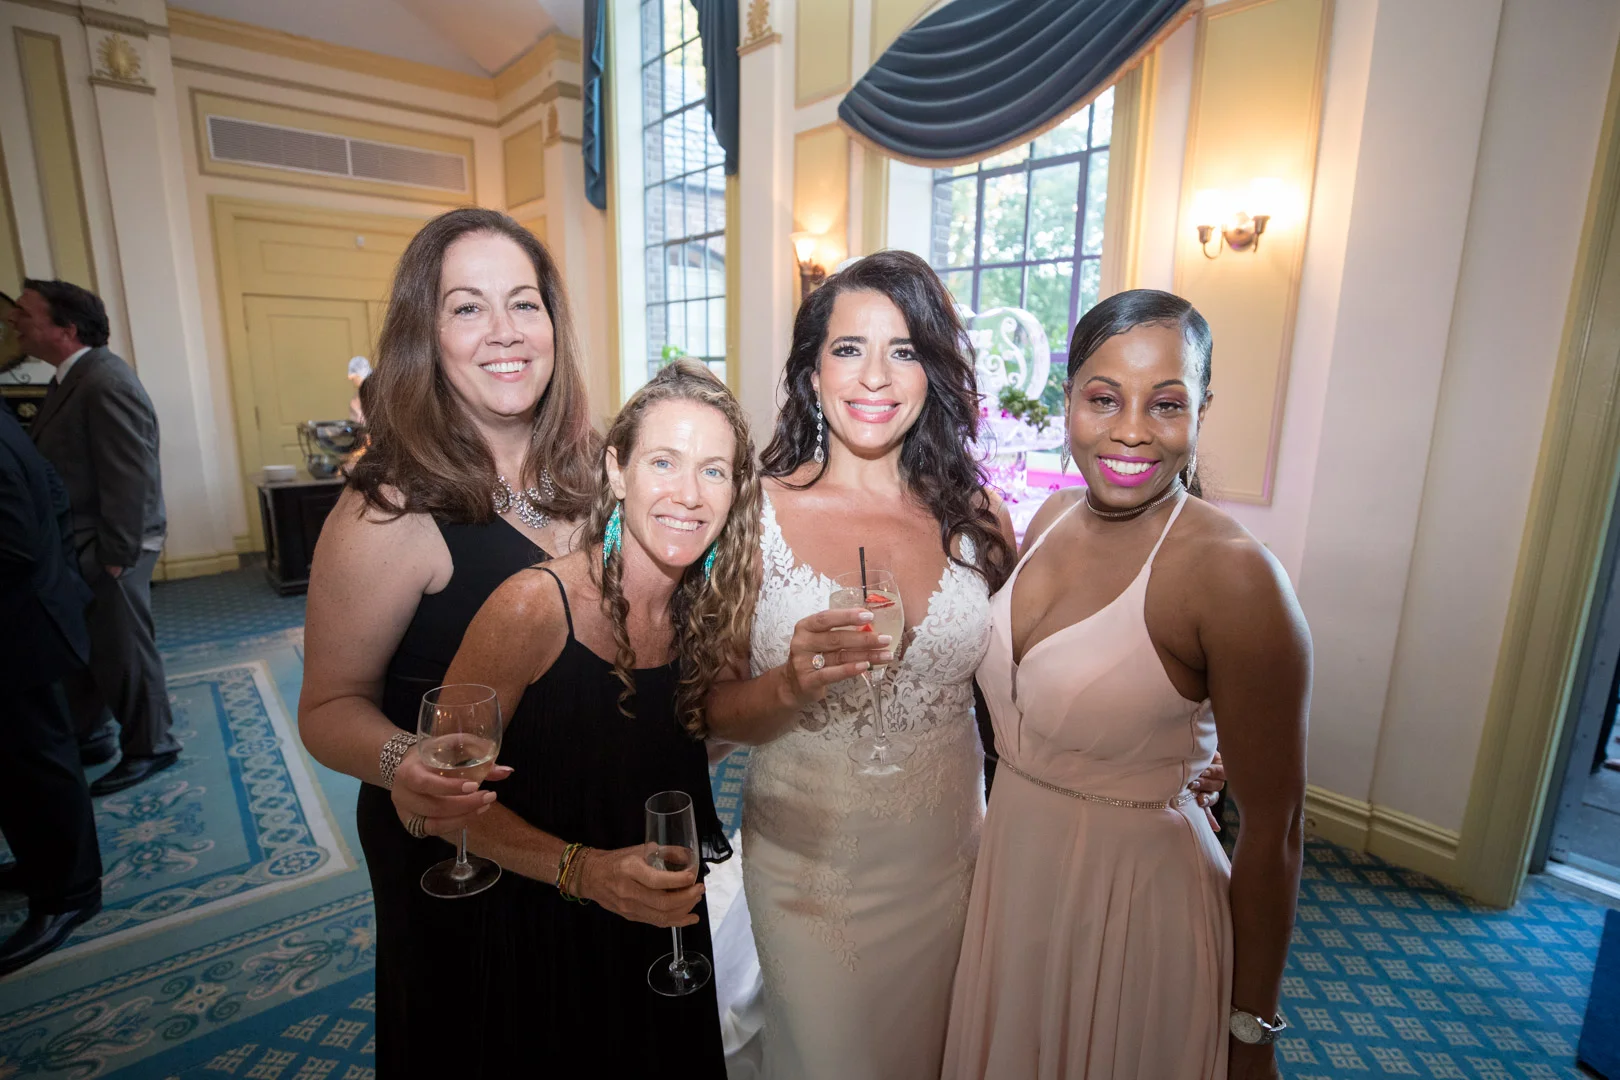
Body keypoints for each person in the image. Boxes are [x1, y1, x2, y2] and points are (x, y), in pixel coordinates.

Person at [943, 290, 1311, 1080]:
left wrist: (1252, 1033)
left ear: (1202, 410)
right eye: (1104, 398)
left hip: (1137, 910)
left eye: (1166, 403)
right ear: (1069, 399)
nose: (1132, 429)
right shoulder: (1049, 518)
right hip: (1015, 880)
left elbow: (1276, 829)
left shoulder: (1235, 576)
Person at [296, 208, 597, 1076]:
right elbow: (327, 708)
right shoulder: (388, 507)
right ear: (424, 337)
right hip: (459, 849)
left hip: (587, 827)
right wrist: (406, 762)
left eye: (524, 303)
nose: (505, 331)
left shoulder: (589, 475)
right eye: (467, 308)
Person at [415, 359, 758, 1073]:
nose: (689, 494)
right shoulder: (531, 608)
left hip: (665, 927)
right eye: (663, 462)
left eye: (714, 471)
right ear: (616, 470)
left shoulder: (708, 612)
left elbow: (671, 745)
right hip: (546, 933)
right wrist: (585, 872)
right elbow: (432, 809)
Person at [9, 279, 178, 794]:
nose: (13, 321)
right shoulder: (72, 378)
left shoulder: (105, 381)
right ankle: (95, 735)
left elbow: (131, 474)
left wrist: (118, 555)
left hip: (111, 548)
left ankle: (153, 746)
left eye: (26, 314)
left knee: (126, 653)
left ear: (66, 328)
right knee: (95, 649)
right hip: (86, 546)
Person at [0, 405, 102, 975]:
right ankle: (41, 865)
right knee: (19, 766)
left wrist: (62, 575)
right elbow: (55, 491)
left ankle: (69, 892)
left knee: (39, 762)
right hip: (31, 614)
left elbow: (13, 540)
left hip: (19, 623)